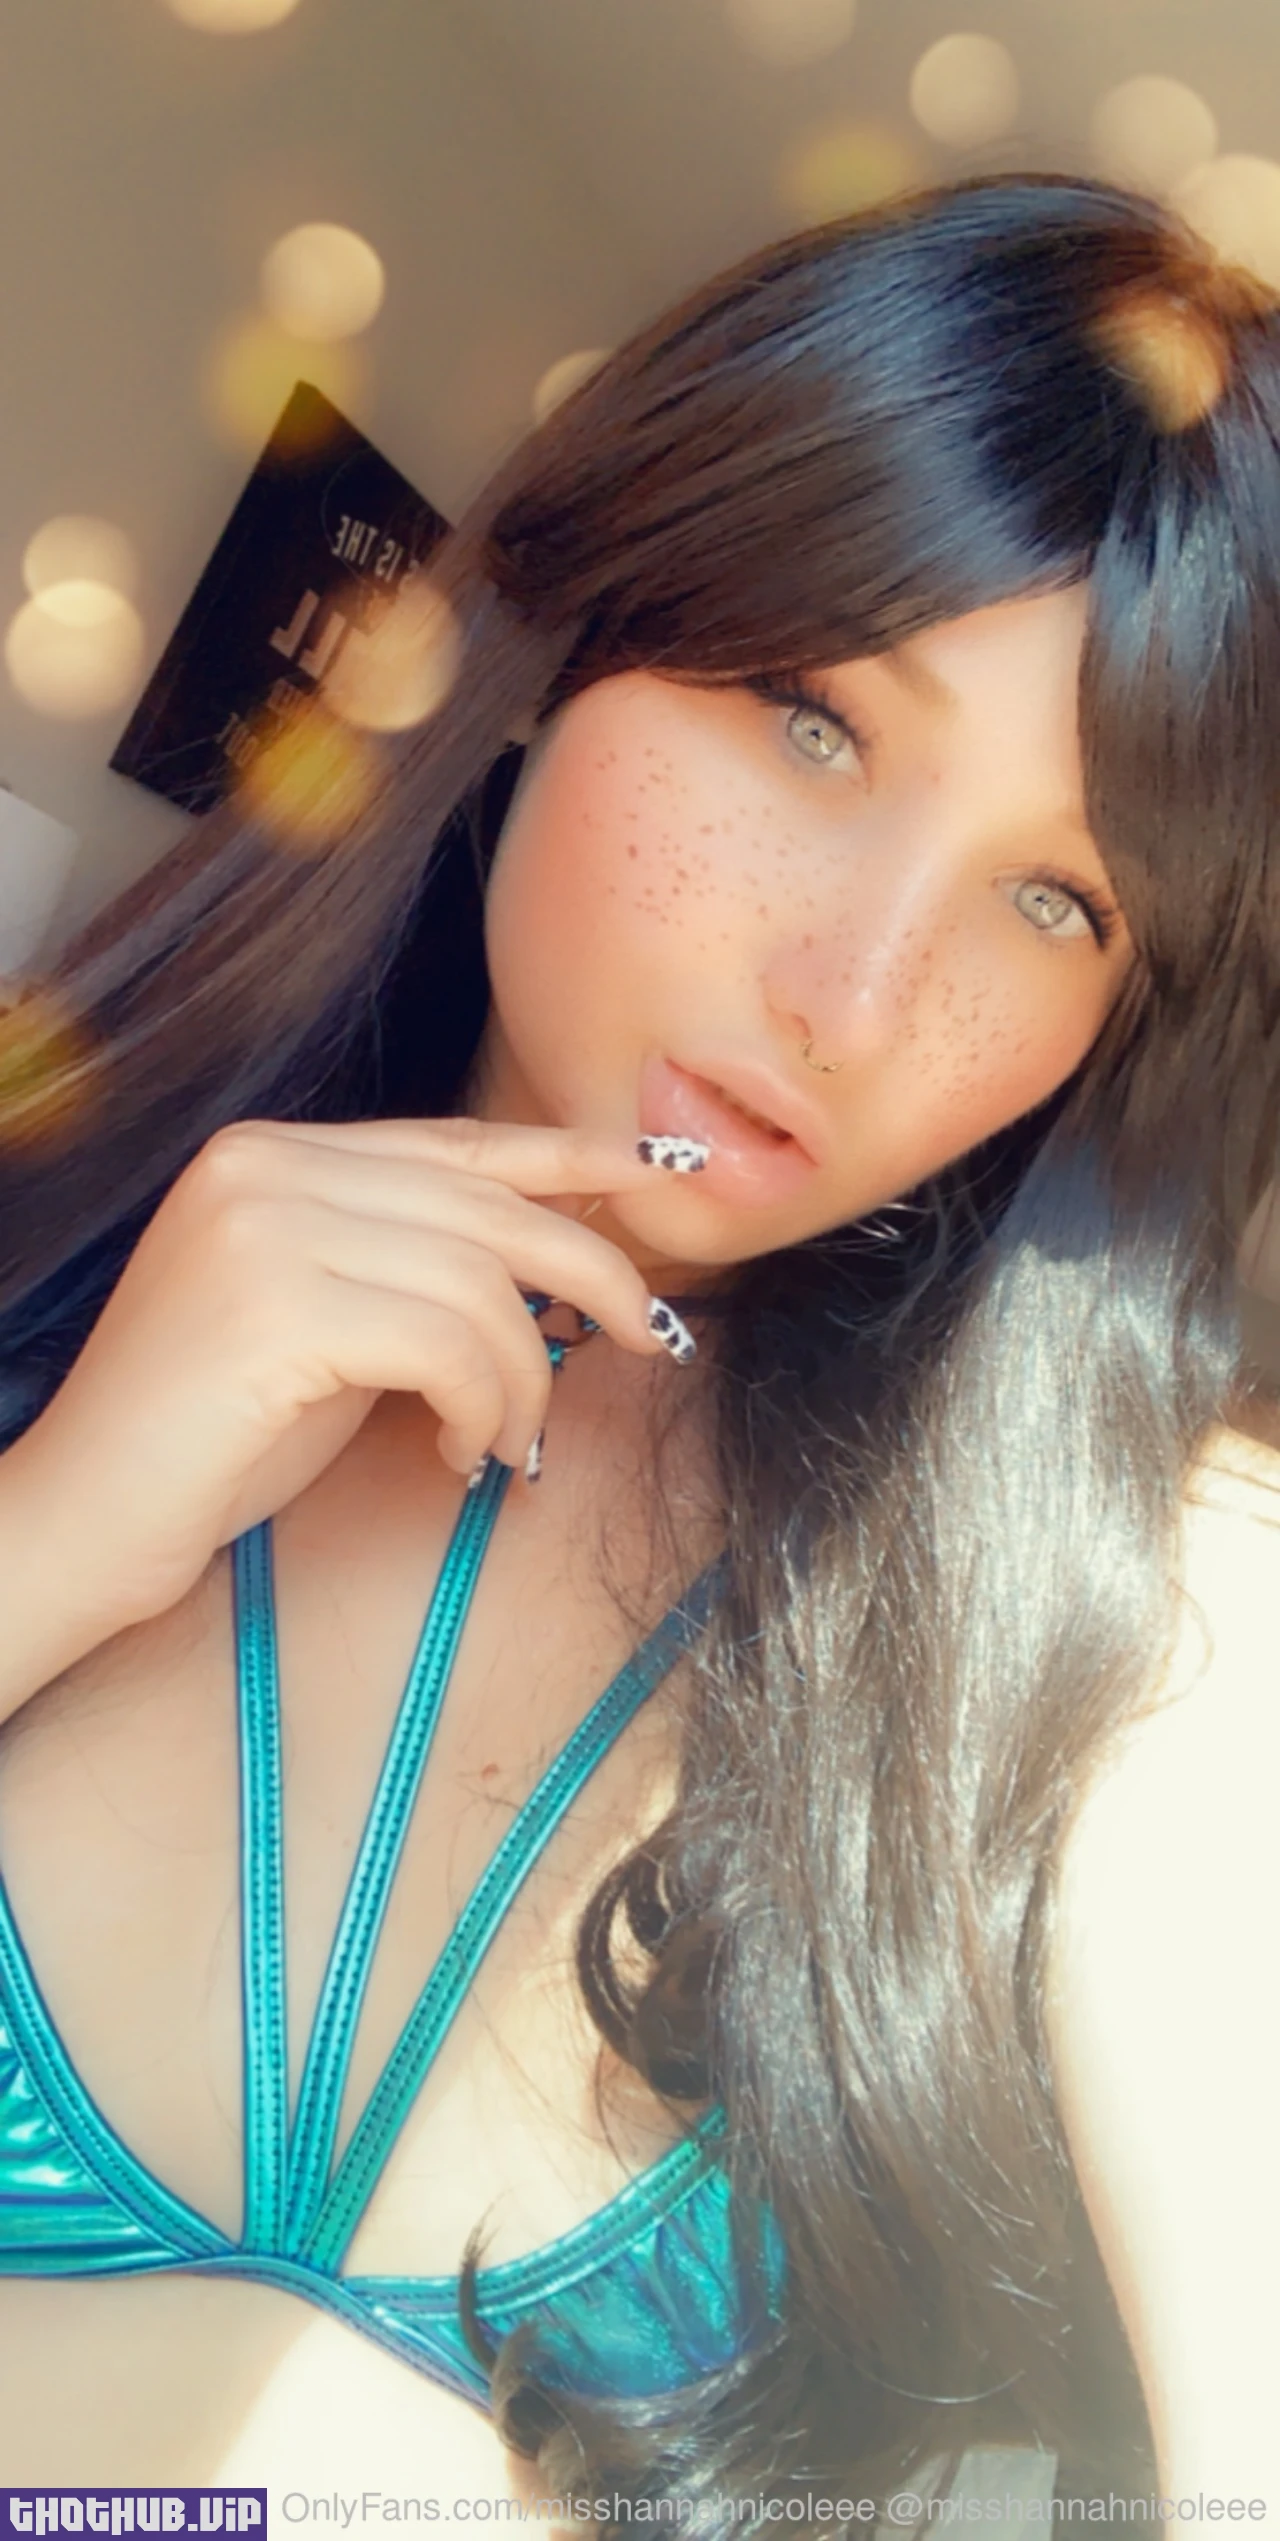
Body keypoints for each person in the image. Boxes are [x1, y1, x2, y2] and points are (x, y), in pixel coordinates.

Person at [0, 171, 1276, 2518]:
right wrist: (56, 1527)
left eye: (1051, 895)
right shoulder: (38, 1214)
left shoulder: (1111, 1641)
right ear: (566, 639)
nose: (854, 996)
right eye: (812, 722)